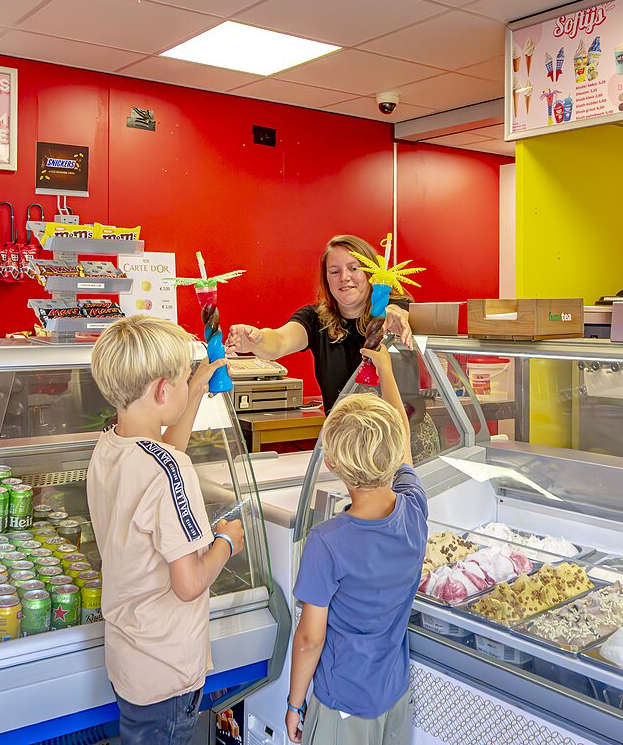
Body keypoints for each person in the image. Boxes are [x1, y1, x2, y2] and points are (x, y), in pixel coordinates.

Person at [86, 315, 246, 745]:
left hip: (129, 659)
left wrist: (192, 390)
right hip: (167, 674)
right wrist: (228, 541)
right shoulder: (171, 471)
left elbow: (159, 453)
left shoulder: (109, 445)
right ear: (160, 390)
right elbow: (190, 583)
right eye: (177, 381)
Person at [285, 346, 427, 745]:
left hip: (341, 704)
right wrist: (386, 372)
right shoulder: (414, 506)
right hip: (394, 696)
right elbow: (403, 440)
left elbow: (310, 639)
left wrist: (296, 703)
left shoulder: (327, 543)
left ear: (331, 463)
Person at [226, 234, 413, 407]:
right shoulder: (314, 319)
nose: (344, 277)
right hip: (345, 434)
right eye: (334, 272)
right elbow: (280, 341)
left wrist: (391, 311)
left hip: (402, 432)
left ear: (372, 273)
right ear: (326, 279)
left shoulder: (395, 306)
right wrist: (257, 339)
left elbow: (399, 310)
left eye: (354, 268)